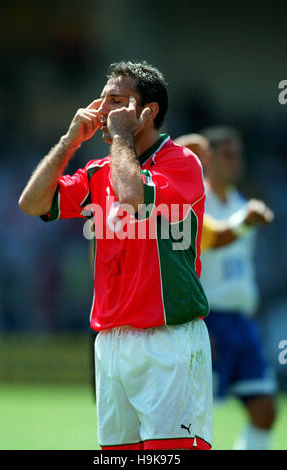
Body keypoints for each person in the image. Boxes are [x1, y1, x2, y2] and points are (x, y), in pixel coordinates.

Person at [19, 61, 213, 450]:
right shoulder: (97, 172)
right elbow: (31, 202)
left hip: (168, 340)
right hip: (110, 344)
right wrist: (70, 140)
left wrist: (121, 136)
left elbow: (131, 192)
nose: (105, 110)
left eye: (117, 100)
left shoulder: (181, 163)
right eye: (103, 99)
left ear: (149, 112)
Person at [177, 128, 277, 450]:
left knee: (264, 409)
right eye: (227, 154)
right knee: (192, 415)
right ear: (208, 160)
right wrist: (198, 324)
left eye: (238, 155)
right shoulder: (195, 203)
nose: (235, 162)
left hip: (241, 322)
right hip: (209, 321)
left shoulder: (243, 204)